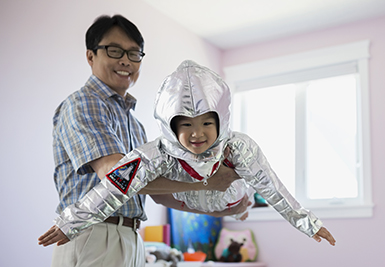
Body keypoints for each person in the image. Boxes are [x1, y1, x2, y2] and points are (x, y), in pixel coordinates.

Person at [39, 60, 336, 251]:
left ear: (220, 121)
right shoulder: (156, 154)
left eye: (207, 123)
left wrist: (308, 223)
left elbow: (273, 188)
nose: (198, 133)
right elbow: (117, 184)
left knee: (244, 201)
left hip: (233, 196)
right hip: (191, 201)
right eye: (187, 125)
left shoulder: (239, 148)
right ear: (171, 126)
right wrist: (70, 222)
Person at [41, 15, 246, 267]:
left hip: (130, 237)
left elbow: (161, 194)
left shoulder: (134, 123)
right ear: (91, 56)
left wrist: (222, 208)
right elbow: (116, 174)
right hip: (95, 234)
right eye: (114, 51)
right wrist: (209, 181)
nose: (125, 60)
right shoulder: (84, 103)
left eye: (134, 53)